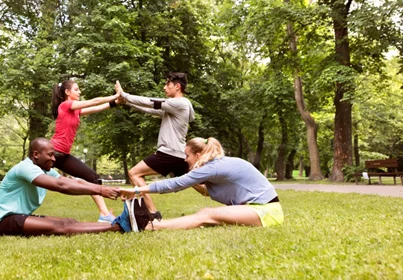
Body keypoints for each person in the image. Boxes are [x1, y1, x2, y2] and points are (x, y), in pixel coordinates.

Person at [119, 137, 284, 231]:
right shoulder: (217, 164)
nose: (184, 160)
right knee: (206, 213)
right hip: (261, 210)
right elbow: (205, 191)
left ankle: (150, 226)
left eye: (187, 156)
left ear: (197, 155)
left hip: (265, 212)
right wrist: (190, 179)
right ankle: (150, 224)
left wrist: (137, 190)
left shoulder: (213, 167)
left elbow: (175, 184)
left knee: (206, 215)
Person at [0, 138, 138, 236]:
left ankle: (116, 222)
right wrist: (99, 190)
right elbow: (61, 186)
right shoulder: (25, 168)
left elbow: (73, 182)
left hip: (19, 216)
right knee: (60, 227)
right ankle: (118, 227)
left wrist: (114, 190)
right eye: (50, 155)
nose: (54, 159)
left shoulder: (44, 169)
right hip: (3, 221)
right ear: (36, 154)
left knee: (70, 221)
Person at [115, 72, 195, 218]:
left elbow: (150, 102)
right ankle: (231, 196)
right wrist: (126, 102)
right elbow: (150, 109)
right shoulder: (176, 107)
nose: (164, 87)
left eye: (167, 84)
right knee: (199, 182)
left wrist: (124, 94)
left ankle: (152, 212)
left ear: (177, 86)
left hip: (169, 153)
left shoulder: (179, 103)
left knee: (134, 173)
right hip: (179, 154)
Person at [50, 79, 120, 222]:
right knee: (30, 178)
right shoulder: (65, 105)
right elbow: (94, 102)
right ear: (67, 92)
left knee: (92, 177)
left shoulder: (75, 110)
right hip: (52, 153)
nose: (80, 92)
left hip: (62, 155)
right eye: (76, 89)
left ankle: (104, 215)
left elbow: (95, 108)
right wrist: (115, 95)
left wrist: (116, 102)